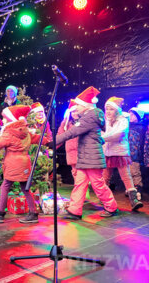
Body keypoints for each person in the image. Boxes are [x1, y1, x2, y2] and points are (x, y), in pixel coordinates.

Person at [55, 87, 118, 218]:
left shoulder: (91, 116)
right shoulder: (88, 116)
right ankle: (74, 210)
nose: (76, 107)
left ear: (86, 105)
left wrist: (54, 142)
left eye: (78, 105)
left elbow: (73, 132)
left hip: (92, 158)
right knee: (80, 183)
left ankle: (111, 207)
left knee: (98, 185)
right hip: (85, 157)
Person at [0, 105, 48, 224]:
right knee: (25, 188)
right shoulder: (26, 132)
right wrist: (48, 141)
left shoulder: (9, 133)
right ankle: (33, 213)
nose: (3, 121)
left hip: (13, 163)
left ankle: (0, 213)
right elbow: (39, 139)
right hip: (25, 162)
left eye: (5, 118)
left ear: (11, 119)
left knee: (5, 186)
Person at [101, 97, 143, 211]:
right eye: (106, 109)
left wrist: (101, 138)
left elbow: (119, 134)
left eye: (111, 109)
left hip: (120, 152)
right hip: (107, 152)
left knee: (126, 176)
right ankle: (105, 200)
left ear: (117, 110)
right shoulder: (103, 120)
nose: (108, 111)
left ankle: (134, 200)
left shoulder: (123, 120)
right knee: (105, 177)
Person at [57, 99, 80, 185]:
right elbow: (60, 135)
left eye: (76, 111)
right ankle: (79, 189)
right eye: (73, 112)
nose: (74, 113)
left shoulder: (84, 121)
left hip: (82, 150)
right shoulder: (66, 123)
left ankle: (82, 190)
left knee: (82, 173)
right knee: (75, 171)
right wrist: (53, 145)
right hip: (71, 150)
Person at [128, 107, 146, 200]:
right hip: (126, 153)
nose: (130, 116)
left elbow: (142, 142)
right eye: (129, 114)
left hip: (135, 154)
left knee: (135, 172)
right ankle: (130, 189)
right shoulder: (126, 126)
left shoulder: (141, 127)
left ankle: (138, 190)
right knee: (128, 173)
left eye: (133, 114)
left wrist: (141, 155)